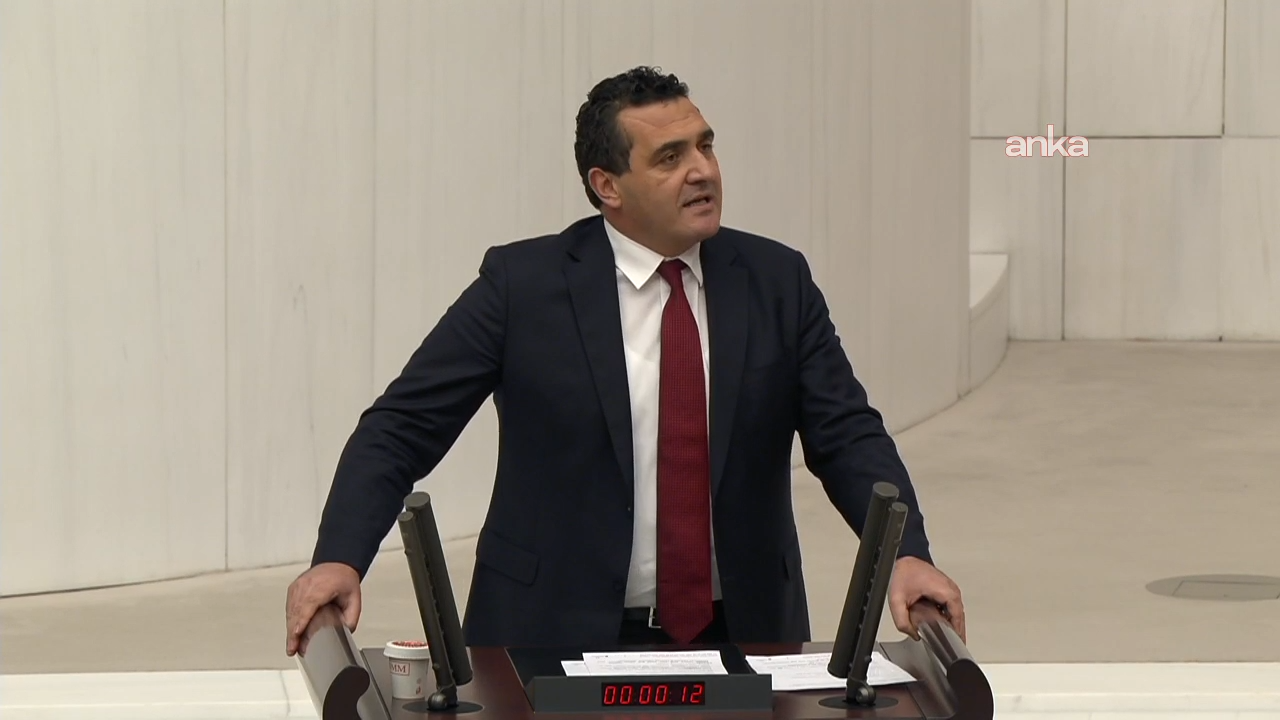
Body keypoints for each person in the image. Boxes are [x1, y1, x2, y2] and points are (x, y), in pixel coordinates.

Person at [285, 65, 964, 655]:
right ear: (607, 186)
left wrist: (907, 555)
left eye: (705, 145)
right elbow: (401, 428)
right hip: (547, 637)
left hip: (742, 635)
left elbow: (847, 435)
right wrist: (341, 556)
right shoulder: (523, 288)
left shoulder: (776, 281)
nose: (702, 170)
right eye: (670, 157)